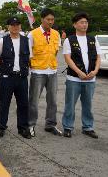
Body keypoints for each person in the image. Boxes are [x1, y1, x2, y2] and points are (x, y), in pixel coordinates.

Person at [62, 13, 101, 139]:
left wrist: (95, 71)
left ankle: (88, 127)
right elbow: (68, 58)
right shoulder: (69, 40)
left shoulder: (93, 39)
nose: (84, 24)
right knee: (70, 104)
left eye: (86, 22)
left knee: (88, 104)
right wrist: (79, 72)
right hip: (74, 78)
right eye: (81, 22)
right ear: (75, 25)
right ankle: (68, 127)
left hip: (90, 78)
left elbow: (98, 57)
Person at [0, 17, 31, 139]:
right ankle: (1, 127)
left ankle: (23, 128)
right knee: (4, 103)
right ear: (8, 27)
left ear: (20, 26)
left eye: (17, 24)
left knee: (23, 104)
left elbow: (29, 58)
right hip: (6, 78)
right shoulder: (2, 41)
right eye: (12, 24)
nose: (15, 27)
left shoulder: (27, 41)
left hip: (22, 78)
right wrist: (6, 68)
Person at [27, 8, 62, 137]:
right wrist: (35, 67)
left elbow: (56, 51)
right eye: (48, 19)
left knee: (52, 100)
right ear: (42, 19)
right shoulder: (32, 34)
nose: (50, 22)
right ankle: (30, 124)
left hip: (52, 71)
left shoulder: (56, 34)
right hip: (38, 72)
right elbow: (29, 54)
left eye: (52, 20)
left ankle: (50, 124)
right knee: (34, 101)